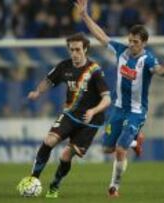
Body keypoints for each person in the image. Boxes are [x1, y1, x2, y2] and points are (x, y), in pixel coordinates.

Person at [75, 0, 164, 197]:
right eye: (130, 40)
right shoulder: (121, 51)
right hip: (118, 109)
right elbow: (101, 36)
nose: (131, 44)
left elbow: (158, 70)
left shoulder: (148, 59)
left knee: (120, 150)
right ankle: (136, 140)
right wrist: (84, 15)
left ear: (144, 43)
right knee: (107, 149)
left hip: (136, 112)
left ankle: (114, 187)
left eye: (135, 42)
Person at [17, 32, 111, 198]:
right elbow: (49, 81)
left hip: (90, 121)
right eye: (71, 50)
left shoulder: (94, 71)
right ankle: (33, 179)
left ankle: (55, 185)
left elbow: (107, 99)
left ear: (86, 49)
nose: (74, 54)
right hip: (70, 114)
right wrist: (37, 92)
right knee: (49, 140)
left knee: (65, 156)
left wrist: (93, 110)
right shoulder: (64, 66)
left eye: (77, 50)